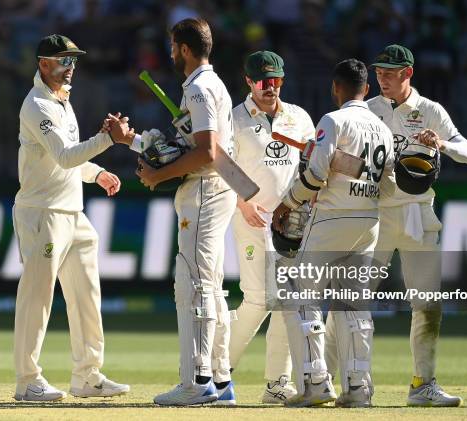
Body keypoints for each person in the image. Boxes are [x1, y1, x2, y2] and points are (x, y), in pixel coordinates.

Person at [112, 18, 238, 406]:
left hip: (203, 193)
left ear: (183, 48)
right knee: (210, 286)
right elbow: (183, 146)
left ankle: (197, 382)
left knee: (193, 285)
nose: (170, 53)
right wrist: (133, 141)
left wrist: (157, 176)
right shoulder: (208, 85)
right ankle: (219, 380)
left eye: (173, 46)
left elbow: (206, 152)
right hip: (212, 191)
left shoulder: (199, 88)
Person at [12, 34, 131, 401]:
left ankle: (87, 376)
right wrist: (110, 139)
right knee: (38, 297)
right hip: (42, 213)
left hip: (73, 212)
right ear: (43, 64)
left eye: (74, 62)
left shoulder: (63, 102)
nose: (70, 68)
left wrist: (96, 173)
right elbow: (64, 156)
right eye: (64, 61)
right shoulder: (37, 105)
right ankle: (28, 380)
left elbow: (70, 160)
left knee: (86, 296)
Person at [273, 58, 394, 408]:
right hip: (369, 220)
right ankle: (358, 389)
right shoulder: (382, 128)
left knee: (300, 292)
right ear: (367, 89)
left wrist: (286, 204)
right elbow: (387, 187)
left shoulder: (333, 120)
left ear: (335, 88)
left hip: (332, 218)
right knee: (352, 304)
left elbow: (314, 176)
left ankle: (315, 384)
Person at [368, 44, 467, 407]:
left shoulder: (430, 110)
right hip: (378, 214)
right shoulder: (368, 110)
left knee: (428, 304)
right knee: (352, 300)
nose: (381, 77)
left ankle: (422, 385)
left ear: (407, 73)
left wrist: (442, 144)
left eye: (389, 72)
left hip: (418, 214)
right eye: (378, 71)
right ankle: (350, 383)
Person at [229, 50, 314, 404]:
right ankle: (216, 367)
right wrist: (242, 203)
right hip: (251, 218)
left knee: (287, 301)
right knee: (260, 299)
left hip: (291, 224)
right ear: (249, 82)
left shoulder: (298, 117)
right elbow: (219, 166)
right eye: (264, 82)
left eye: (277, 81)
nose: (271, 88)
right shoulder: (233, 119)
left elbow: (312, 162)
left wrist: (307, 203)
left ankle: (277, 384)